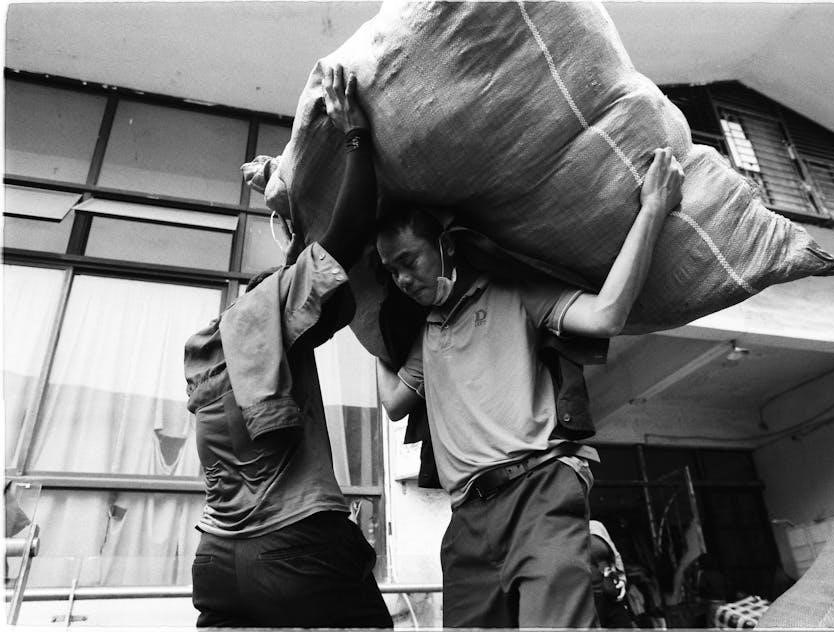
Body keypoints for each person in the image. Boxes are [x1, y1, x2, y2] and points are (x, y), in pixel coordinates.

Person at [376, 147, 684, 628]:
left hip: (539, 490)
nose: (402, 279)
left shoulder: (513, 292)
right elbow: (395, 403)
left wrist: (652, 209)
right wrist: (372, 332)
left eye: (408, 260)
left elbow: (607, 315)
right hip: (466, 519)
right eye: (391, 271)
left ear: (446, 245)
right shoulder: (428, 335)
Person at [183, 65, 392, 628]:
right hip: (297, 546)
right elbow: (346, 236)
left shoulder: (212, 355)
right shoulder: (266, 313)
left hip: (216, 561)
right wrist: (356, 135)